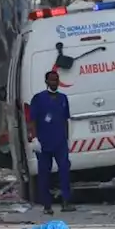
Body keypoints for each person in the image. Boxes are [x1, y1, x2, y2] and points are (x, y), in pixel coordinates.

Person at [27, 70, 74, 215]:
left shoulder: (63, 99)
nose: (55, 83)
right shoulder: (38, 99)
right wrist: (34, 138)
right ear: (46, 81)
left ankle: (66, 202)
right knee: (44, 174)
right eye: (52, 80)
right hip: (44, 143)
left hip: (60, 142)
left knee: (64, 171)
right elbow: (32, 120)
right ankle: (47, 205)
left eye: (57, 80)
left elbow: (65, 120)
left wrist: (67, 138)